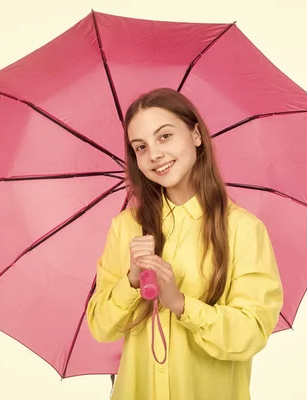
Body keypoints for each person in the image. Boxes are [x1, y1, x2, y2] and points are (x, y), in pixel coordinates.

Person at [86, 87, 284, 400]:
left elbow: (251, 333)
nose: (154, 155)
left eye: (164, 136)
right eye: (141, 147)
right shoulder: (126, 227)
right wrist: (131, 280)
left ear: (195, 135)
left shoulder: (243, 230)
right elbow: (101, 326)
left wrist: (180, 304)